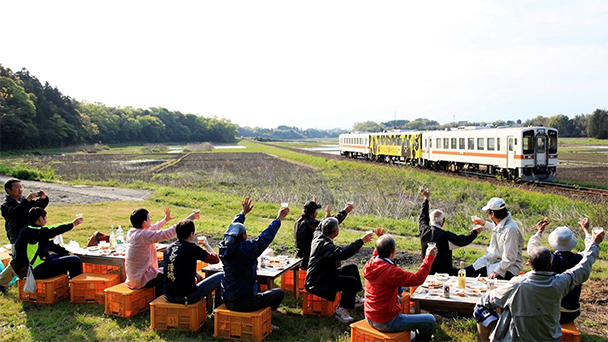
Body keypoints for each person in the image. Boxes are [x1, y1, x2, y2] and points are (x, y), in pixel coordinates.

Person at [475, 228, 604, 342]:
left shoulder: (517, 284)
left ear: (530, 263)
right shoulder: (560, 283)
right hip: (549, 338)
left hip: (518, 338)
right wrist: (594, 244)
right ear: (550, 265)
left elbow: (487, 300)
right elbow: (584, 267)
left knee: (482, 310)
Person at [364, 230, 437, 341]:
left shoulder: (370, 264)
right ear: (393, 252)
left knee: (398, 298)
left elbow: (376, 254)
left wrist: (381, 241)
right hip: (385, 322)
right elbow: (418, 279)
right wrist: (429, 257)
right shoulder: (390, 271)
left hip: (369, 316)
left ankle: (407, 328)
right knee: (430, 320)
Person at [219, 196, 289, 313]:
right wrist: (278, 219)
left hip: (227, 298)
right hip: (244, 303)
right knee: (279, 293)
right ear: (243, 236)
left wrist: (242, 214)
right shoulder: (247, 250)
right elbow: (265, 237)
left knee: (256, 284)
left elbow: (232, 229)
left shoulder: (224, 247)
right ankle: (268, 314)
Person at [305, 217, 374, 323]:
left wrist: (330, 218)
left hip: (322, 274)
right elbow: (344, 253)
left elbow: (320, 225)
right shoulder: (326, 246)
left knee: (352, 268)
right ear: (336, 232)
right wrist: (361, 241)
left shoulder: (318, 235)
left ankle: (353, 300)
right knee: (352, 282)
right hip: (319, 282)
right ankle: (340, 311)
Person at [527, 218, 594, 324]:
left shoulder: (548, 260)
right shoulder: (580, 260)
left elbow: (532, 249)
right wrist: (586, 231)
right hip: (571, 312)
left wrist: (539, 232)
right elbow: (590, 251)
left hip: (549, 311)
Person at [125, 207, 200, 297]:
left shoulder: (132, 232)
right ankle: (166, 295)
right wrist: (189, 219)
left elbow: (153, 229)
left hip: (133, 278)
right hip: (142, 279)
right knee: (172, 270)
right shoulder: (143, 235)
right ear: (144, 222)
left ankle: (161, 293)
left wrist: (165, 220)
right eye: (149, 217)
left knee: (167, 264)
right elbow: (166, 233)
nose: (150, 219)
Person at [418, 186, 482, 275]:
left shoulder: (423, 230)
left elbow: (423, 217)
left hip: (427, 272)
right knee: (476, 269)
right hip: (444, 274)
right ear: (443, 221)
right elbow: (463, 240)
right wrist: (475, 232)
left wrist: (426, 199)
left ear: (430, 220)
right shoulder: (446, 236)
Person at [0, 179, 49, 293]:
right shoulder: (6, 205)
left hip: (30, 234)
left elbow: (37, 209)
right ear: (8, 190)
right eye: (17, 188)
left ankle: (24, 281)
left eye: (21, 187)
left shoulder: (23, 201)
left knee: (25, 260)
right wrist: (27, 200)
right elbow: (15, 212)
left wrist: (43, 199)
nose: (20, 190)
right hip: (17, 236)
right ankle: (2, 282)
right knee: (17, 262)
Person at [163, 219, 223, 306]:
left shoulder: (169, 248)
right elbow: (215, 260)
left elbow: (177, 265)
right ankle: (215, 310)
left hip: (168, 295)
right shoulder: (191, 247)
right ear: (191, 234)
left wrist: (194, 273)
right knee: (221, 276)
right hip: (188, 296)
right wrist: (206, 245)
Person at [15, 207, 83, 280]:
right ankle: (75, 287)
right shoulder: (33, 232)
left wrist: (67, 253)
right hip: (35, 270)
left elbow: (50, 245)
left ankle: (64, 285)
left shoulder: (29, 229)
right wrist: (72, 224)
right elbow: (53, 230)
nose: (46, 221)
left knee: (61, 256)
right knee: (75, 260)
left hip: (36, 266)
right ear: (40, 218)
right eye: (45, 218)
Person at [466, 198, 523, 280]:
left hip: (507, 266)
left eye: (487, 212)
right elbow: (497, 228)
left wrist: (497, 271)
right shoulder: (500, 222)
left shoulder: (511, 230)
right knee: (466, 272)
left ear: (492, 214)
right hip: (492, 259)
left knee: (491, 284)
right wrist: (483, 223)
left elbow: (509, 258)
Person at [294, 198, 353, 270]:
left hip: (301, 255)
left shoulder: (299, 220)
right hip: (307, 258)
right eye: (316, 211)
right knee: (334, 258)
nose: (317, 213)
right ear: (312, 212)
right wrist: (345, 211)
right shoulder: (309, 224)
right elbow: (331, 224)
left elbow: (321, 224)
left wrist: (326, 218)